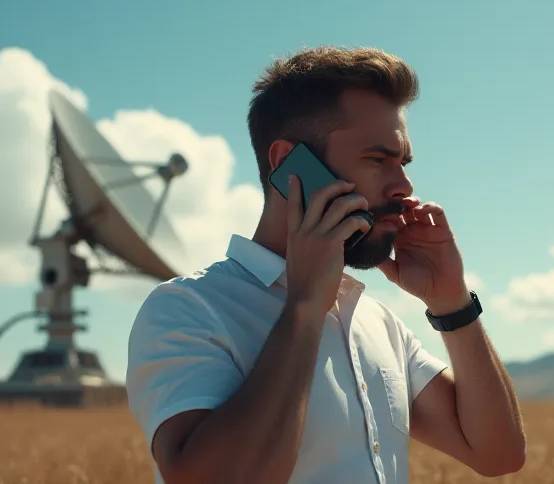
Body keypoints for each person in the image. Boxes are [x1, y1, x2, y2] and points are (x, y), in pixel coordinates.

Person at [125, 46, 527, 484]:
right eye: (378, 160)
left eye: (403, 163)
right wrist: (303, 307)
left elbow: (498, 454)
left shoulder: (376, 321)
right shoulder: (187, 310)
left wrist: (452, 302)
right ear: (289, 166)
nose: (405, 186)